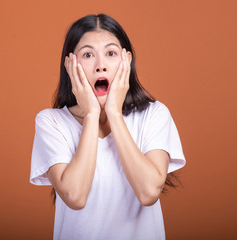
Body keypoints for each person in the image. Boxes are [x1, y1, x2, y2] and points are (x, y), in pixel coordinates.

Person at [30, 13, 186, 240]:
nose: (100, 66)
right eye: (88, 55)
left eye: (111, 53)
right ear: (69, 63)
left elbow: (149, 192)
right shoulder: (51, 122)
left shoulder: (154, 114)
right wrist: (92, 114)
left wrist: (114, 113)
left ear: (127, 60)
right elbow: (75, 196)